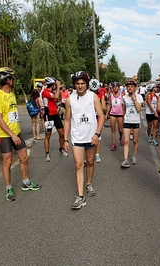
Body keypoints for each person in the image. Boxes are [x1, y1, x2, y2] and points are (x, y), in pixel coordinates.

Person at [0, 67, 41, 202]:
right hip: (5, 135)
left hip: (16, 132)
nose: (14, 81)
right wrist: (12, 135)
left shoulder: (12, 95)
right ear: (7, 80)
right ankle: (8, 189)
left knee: (24, 158)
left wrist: (16, 133)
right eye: (12, 79)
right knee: (7, 162)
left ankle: (26, 182)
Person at [63, 71, 105, 210]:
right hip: (77, 137)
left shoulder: (93, 97)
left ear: (86, 84)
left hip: (91, 137)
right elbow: (67, 120)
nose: (80, 86)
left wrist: (97, 134)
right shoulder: (70, 99)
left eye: (82, 83)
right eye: (77, 84)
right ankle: (80, 197)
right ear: (74, 85)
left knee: (91, 162)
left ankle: (88, 184)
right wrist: (65, 139)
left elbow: (101, 116)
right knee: (79, 165)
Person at [41, 77, 66, 161]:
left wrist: (58, 88)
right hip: (49, 115)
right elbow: (55, 97)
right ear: (52, 85)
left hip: (56, 114)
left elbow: (58, 97)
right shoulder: (45, 92)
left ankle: (61, 149)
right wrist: (58, 87)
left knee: (62, 134)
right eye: (55, 85)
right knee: (48, 135)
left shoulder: (52, 92)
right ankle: (47, 153)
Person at [121, 80, 143, 168]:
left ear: (135, 88)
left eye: (131, 86)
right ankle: (125, 159)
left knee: (135, 140)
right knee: (126, 141)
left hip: (136, 121)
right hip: (127, 121)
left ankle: (134, 155)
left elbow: (138, 109)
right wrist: (124, 118)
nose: (130, 88)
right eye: (128, 86)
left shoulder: (139, 97)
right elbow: (124, 109)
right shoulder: (124, 97)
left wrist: (134, 99)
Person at [89, 78, 106, 163]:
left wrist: (97, 106)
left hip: (97, 117)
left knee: (98, 136)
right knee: (88, 136)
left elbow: (104, 107)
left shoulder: (101, 95)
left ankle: (97, 154)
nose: (94, 92)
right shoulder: (87, 94)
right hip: (89, 118)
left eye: (95, 90)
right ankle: (88, 155)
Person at [106, 81, 124, 151]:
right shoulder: (111, 95)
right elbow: (109, 105)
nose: (115, 88)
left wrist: (124, 114)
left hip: (120, 114)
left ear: (119, 88)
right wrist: (107, 114)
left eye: (117, 86)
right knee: (113, 129)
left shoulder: (121, 95)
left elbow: (123, 105)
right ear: (112, 88)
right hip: (112, 114)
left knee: (120, 129)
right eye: (114, 87)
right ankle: (113, 143)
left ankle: (120, 137)